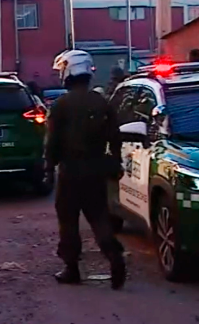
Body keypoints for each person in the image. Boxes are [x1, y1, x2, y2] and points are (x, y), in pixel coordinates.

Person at [45, 50, 126, 290]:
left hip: (70, 171)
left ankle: (71, 268)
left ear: (68, 70)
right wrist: (115, 161)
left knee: (68, 221)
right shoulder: (101, 102)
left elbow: (52, 141)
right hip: (96, 169)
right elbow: (115, 137)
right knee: (99, 216)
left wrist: (49, 168)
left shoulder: (61, 104)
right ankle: (114, 256)